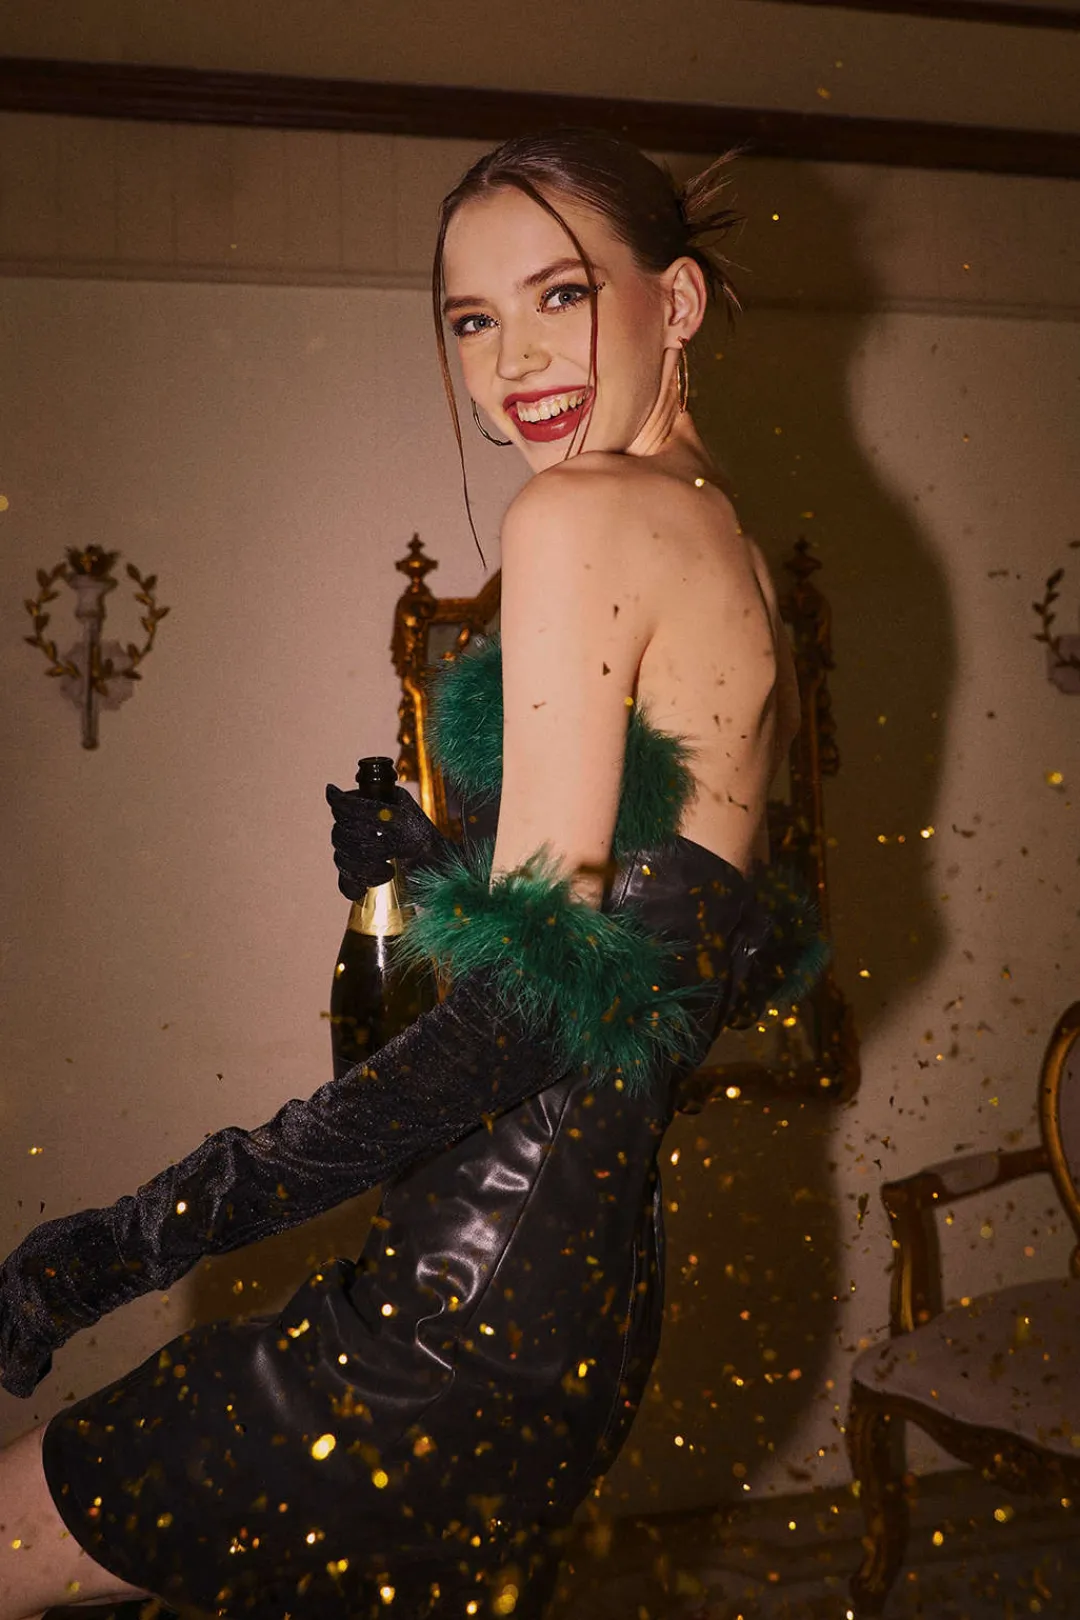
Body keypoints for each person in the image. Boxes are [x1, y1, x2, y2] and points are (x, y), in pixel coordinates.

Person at [0, 127, 813, 1620]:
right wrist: (447, 872)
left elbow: (533, 1019)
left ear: (679, 300)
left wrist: (126, 1243)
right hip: (576, 1323)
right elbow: (706, 960)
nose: (515, 362)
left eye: (561, 295)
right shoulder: (735, 550)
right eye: (471, 320)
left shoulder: (579, 513)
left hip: (453, 1320)